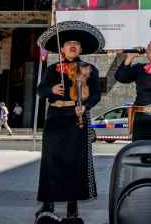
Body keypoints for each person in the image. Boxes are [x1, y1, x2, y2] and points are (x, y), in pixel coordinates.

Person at [35, 21, 104, 222]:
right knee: (50, 162)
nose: (72, 46)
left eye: (76, 44)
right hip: (55, 118)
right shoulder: (52, 69)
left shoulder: (89, 69)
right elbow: (40, 90)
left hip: (76, 118)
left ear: (81, 49)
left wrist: (86, 105)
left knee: (75, 163)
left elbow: (96, 95)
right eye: (68, 43)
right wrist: (51, 91)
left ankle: (72, 209)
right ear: (62, 48)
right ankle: (47, 205)